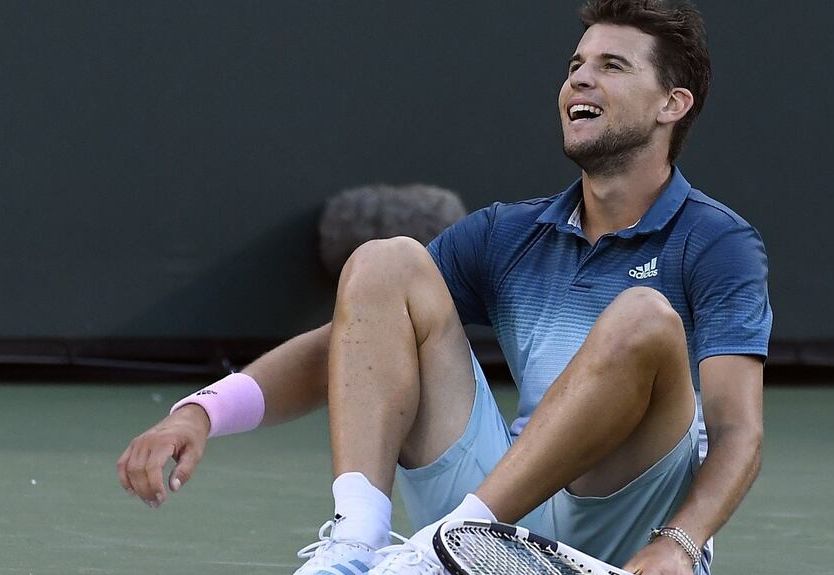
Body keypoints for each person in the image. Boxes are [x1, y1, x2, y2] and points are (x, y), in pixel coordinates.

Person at [117, 1, 771, 573]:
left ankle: (448, 545)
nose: (580, 77)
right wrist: (201, 411)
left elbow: (738, 430)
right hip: (508, 507)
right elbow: (350, 344)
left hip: (629, 523)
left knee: (644, 318)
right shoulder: (508, 234)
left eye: (612, 65)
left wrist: (680, 544)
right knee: (384, 264)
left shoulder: (716, 242)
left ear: (671, 103)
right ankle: (359, 543)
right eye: (576, 63)